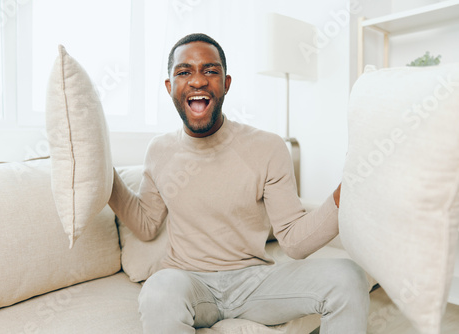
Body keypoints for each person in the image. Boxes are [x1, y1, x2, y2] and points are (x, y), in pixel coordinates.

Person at [108, 33, 369, 334]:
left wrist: (347, 190)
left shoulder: (268, 147)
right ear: (170, 87)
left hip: (254, 284)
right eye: (184, 72)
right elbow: (146, 224)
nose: (197, 81)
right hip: (189, 283)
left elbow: (293, 242)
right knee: (159, 288)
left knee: (348, 275)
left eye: (210, 70)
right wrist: (104, 176)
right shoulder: (159, 150)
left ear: (226, 84)